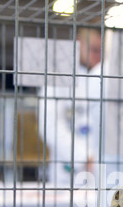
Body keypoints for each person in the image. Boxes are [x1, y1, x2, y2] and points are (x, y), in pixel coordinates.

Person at [38, 27, 103, 184]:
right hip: (67, 172)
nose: (98, 57)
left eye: (101, 51)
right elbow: (49, 125)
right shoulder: (57, 75)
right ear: (79, 43)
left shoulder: (103, 76)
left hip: (100, 171)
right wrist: (83, 157)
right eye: (94, 50)